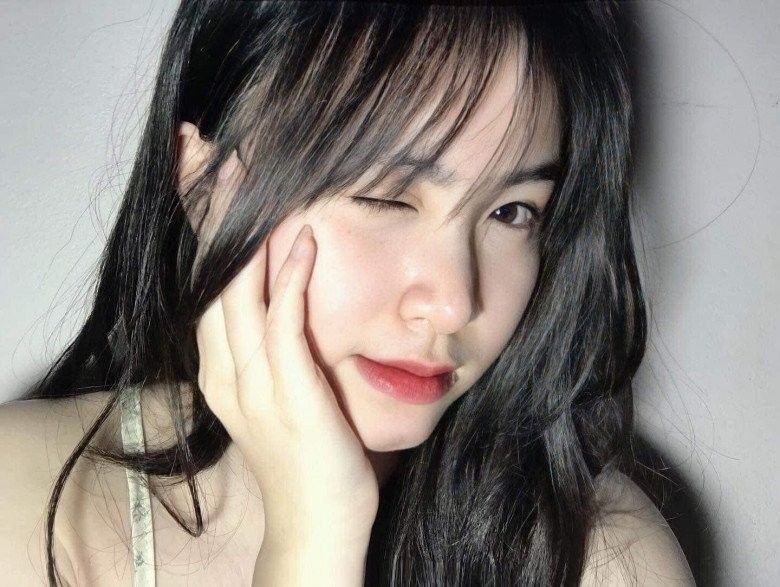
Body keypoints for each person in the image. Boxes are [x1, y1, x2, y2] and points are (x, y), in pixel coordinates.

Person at [0, 2, 695, 585]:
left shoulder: (602, 559)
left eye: (511, 211)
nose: (453, 303)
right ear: (207, 186)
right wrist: (313, 535)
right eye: (385, 196)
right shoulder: (28, 505)